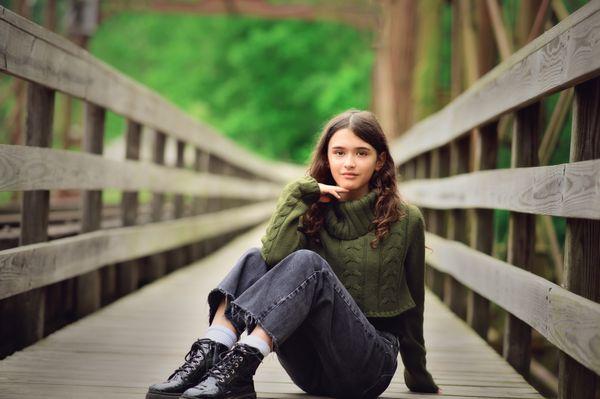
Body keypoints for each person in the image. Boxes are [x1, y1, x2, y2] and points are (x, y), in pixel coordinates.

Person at [146, 109, 440, 399]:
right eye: (339, 153)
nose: (349, 163)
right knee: (254, 257)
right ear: (327, 157)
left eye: (361, 153)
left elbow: (414, 306)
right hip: (311, 371)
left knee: (308, 263)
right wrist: (297, 194)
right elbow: (272, 258)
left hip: (367, 367)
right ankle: (213, 349)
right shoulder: (310, 209)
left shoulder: (405, 220)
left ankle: (243, 361)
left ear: (380, 161)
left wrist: (418, 374)